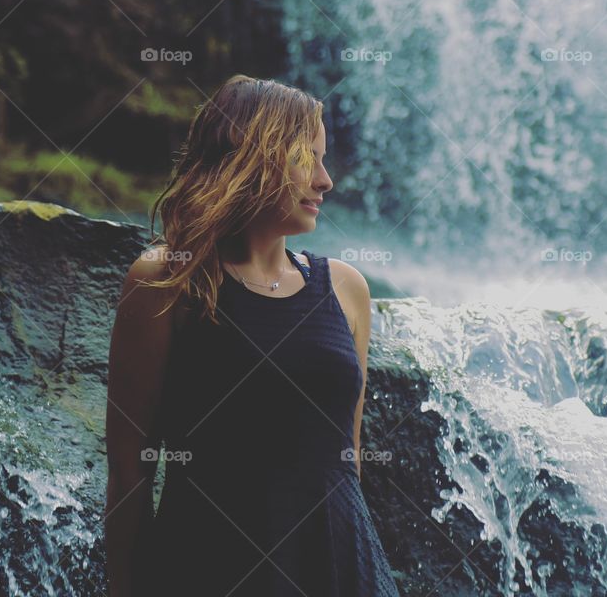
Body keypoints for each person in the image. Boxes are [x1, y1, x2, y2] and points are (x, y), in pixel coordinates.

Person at [105, 74, 401, 596]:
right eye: (307, 157)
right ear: (253, 158)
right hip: (210, 569)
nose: (326, 180)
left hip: (340, 569)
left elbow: (345, 461)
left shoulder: (346, 289)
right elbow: (131, 475)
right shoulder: (164, 281)